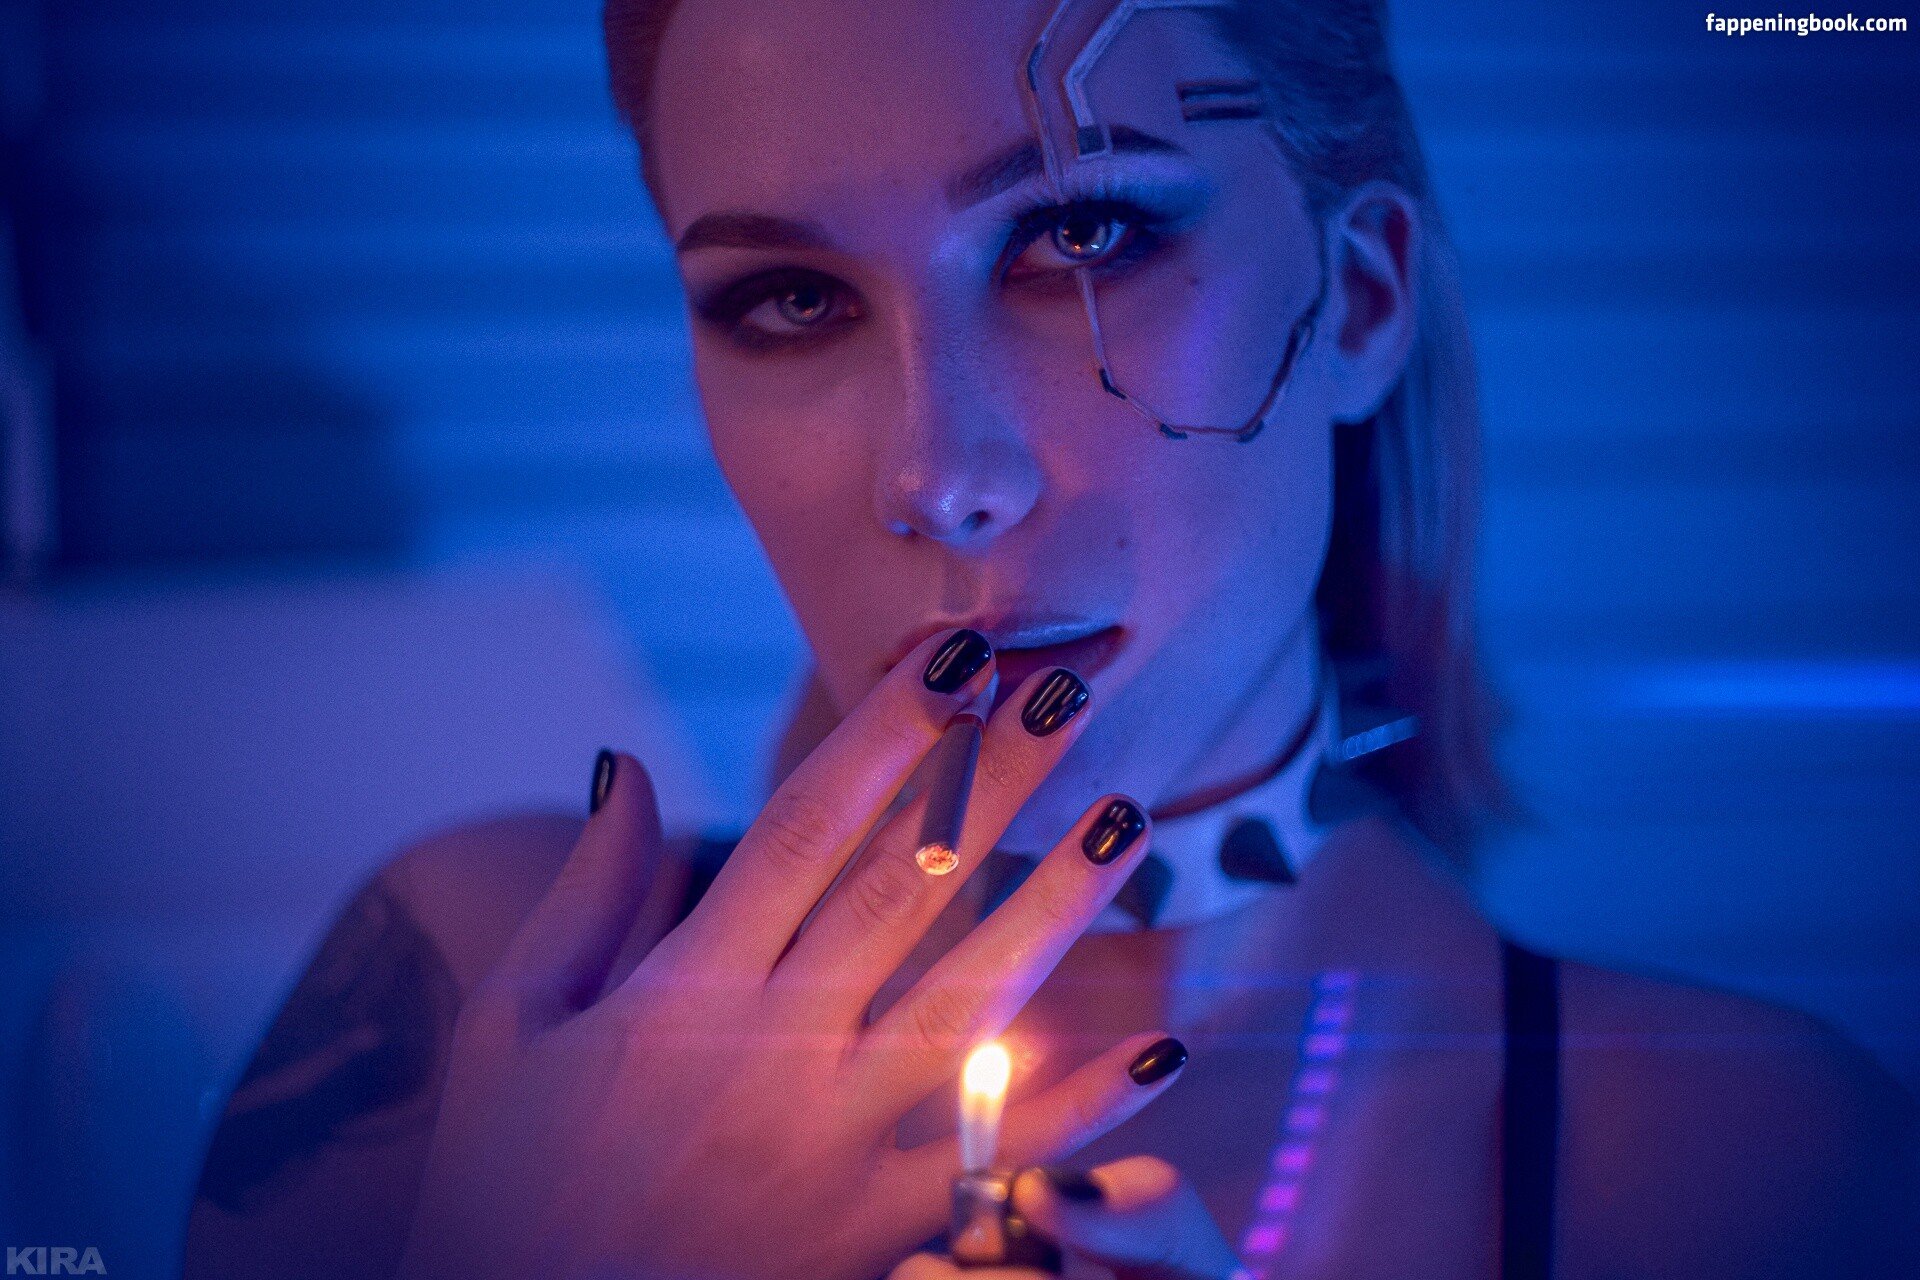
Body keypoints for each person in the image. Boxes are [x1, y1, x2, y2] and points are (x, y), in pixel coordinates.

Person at [181, 0, 1917, 1276]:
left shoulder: (1737, 1157)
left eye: (1083, 233)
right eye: (790, 299)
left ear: (1361, 300)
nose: (940, 479)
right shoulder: (475, 990)